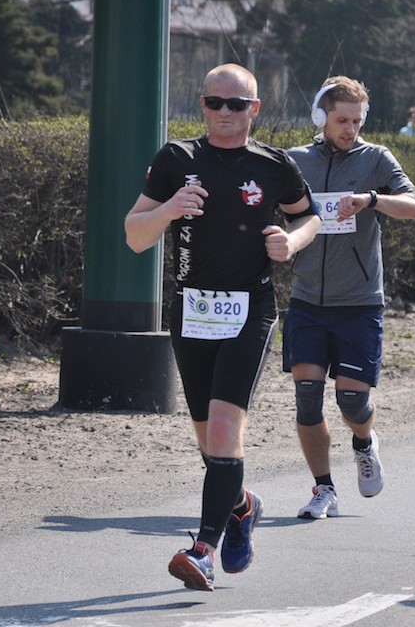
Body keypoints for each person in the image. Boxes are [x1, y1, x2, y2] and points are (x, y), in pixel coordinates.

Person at [123, 63, 321, 591]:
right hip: (191, 310)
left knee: (224, 431)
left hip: (249, 311)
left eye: (237, 104)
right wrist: (169, 209)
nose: (225, 112)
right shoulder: (176, 159)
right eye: (215, 102)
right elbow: (134, 236)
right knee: (209, 443)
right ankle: (242, 505)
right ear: (203, 105)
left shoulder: (273, 165)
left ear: (255, 109)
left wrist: (291, 242)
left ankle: (203, 551)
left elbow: (309, 216)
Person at [285, 76, 415, 519]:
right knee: (307, 395)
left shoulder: (375, 158)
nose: (350, 129)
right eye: (342, 120)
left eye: (357, 121)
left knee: (351, 402)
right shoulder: (296, 161)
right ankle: (323, 488)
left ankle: (364, 442)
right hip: (307, 299)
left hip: (359, 303)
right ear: (321, 117)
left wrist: (372, 199)